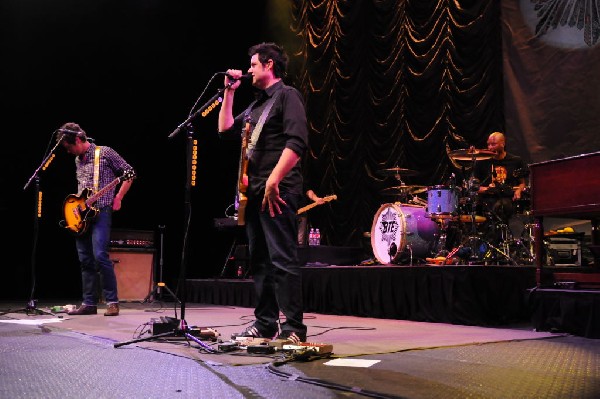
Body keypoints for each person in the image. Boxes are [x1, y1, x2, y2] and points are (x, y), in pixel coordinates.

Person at [218, 42, 309, 343]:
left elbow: (297, 143)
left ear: (269, 65)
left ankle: (294, 327)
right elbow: (225, 128)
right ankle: (265, 323)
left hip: (278, 191)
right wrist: (229, 92)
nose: (249, 70)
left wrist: (274, 180)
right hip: (255, 193)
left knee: (283, 259)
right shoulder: (257, 105)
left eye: (253, 64)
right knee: (260, 262)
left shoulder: (287, 96)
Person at [57, 122, 134, 316]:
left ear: (77, 139)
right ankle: (89, 303)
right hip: (81, 215)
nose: (68, 152)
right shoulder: (77, 160)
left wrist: (119, 197)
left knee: (100, 255)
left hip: (101, 211)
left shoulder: (105, 152)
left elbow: (129, 173)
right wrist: (75, 208)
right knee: (85, 260)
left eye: (69, 147)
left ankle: (112, 302)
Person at [472, 131, 527, 240]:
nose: (490, 147)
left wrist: (519, 190)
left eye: (493, 144)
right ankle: (495, 239)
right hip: (488, 199)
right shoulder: (482, 162)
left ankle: (502, 239)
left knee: (503, 205)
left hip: (508, 198)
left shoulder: (515, 161)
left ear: (503, 144)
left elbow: (522, 183)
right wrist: (487, 188)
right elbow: (475, 187)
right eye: (488, 144)